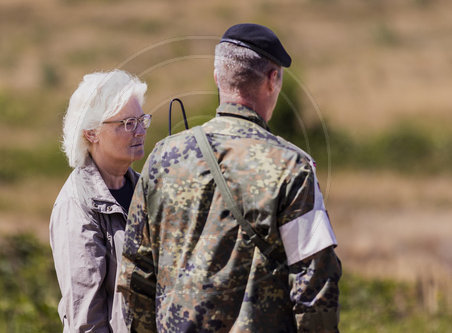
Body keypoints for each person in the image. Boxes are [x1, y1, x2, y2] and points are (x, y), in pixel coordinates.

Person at [118, 23, 342, 332]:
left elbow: (136, 274)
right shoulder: (292, 167)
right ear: (273, 79)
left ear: (217, 77)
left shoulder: (162, 159)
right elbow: (315, 283)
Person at [49, 69, 151, 332]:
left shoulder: (146, 190)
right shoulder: (77, 205)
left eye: (142, 120)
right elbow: (87, 319)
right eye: (127, 123)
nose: (140, 131)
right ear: (91, 133)